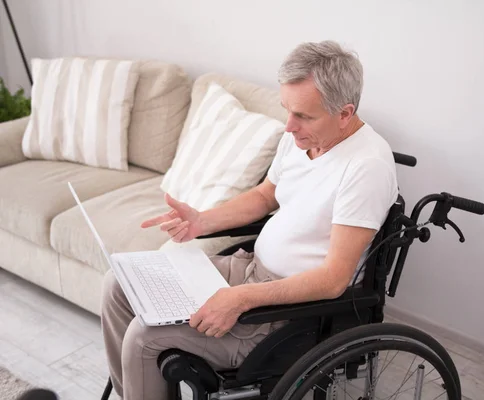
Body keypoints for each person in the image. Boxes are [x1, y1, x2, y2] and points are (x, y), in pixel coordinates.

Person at [100, 40, 399, 400]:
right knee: (117, 284)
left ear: (345, 113)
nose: (289, 126)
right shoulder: (301, 138)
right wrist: (201, 221)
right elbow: (263, 196)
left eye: (303, 115)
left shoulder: (366, 167)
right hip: (248, 272)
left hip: (288, 313)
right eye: (287, 109)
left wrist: (242, 299)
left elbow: (334, 279)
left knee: (144, 337)